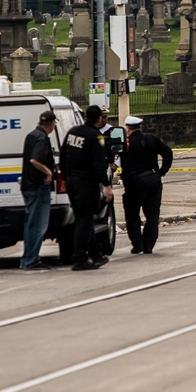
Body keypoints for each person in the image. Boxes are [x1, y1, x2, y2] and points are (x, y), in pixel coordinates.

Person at [61, 105, 114, 270]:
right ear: (99, 119)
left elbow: (63, 157)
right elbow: (99, 165)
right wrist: (107, 186)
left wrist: (65, 178)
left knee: (83, 218)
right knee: (84, 219)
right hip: (86, 183)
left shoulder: (72, 132)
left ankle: (96, 254)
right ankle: (79, 258)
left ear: (85, 117)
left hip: (71, 181)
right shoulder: (96, 136)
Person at [119, 115, 173, 253]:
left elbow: (122, 163)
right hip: (153, 179)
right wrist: (162, 171)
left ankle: (138, 244)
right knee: (152, 214)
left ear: (127, 128)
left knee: (132, 214)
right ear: (140, 127)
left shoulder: (127, 142)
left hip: (135, 182)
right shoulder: (152, 138)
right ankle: (148, 245)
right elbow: (167, 152)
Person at [20, 111, 56, 271]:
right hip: (38, 186)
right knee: (38, 224)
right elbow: (34, 159)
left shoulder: (31, 135)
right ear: (52, 124)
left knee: (30, 223)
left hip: (27, 185)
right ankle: (31, 260)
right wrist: (48, 172)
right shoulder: (42, 138)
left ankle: (27, 258)